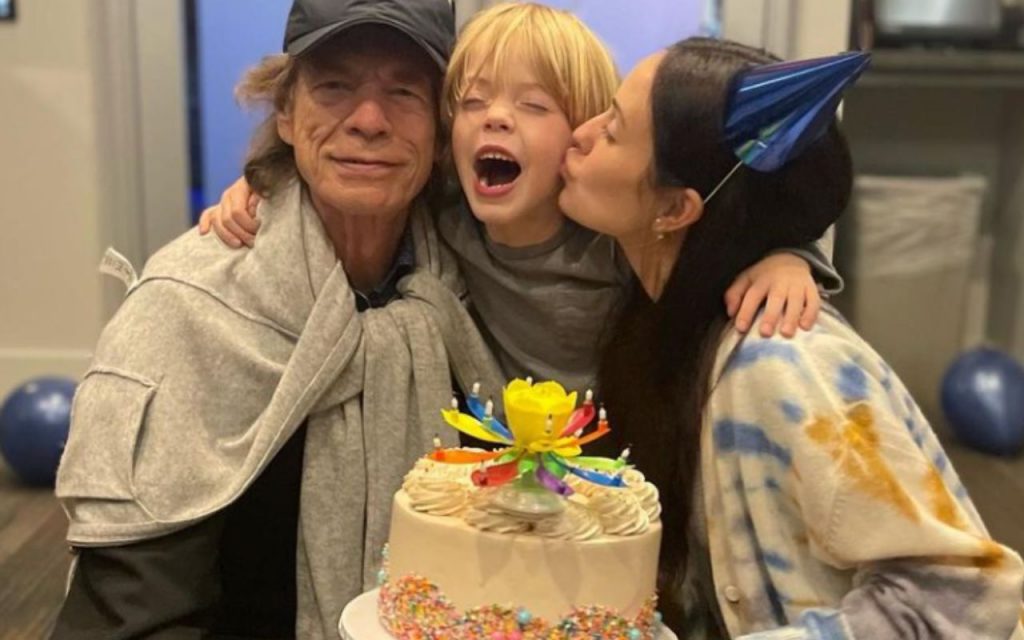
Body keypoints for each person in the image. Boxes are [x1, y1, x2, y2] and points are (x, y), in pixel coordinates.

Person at [50, 1, 500, 638]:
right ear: (286, 112)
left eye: (403, 92)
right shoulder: (185, 306)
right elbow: (133, 604)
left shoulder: (473, 292)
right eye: (335, 86)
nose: (369, 120)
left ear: (439, 128)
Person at [560, 37, 1024, 639]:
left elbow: (957, 601)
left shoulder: (782, 365)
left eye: (612, 130)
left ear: (674, 211)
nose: (580, 134)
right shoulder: (661, 308)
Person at [203, 3, 843, 397]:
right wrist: (269, 184)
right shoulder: (446, 214)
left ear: (584, 136)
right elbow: (357, 170)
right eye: (473, 102)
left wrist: (790, 256)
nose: (495, 118)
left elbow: (718, 225)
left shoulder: (613, 235)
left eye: (534, 106)